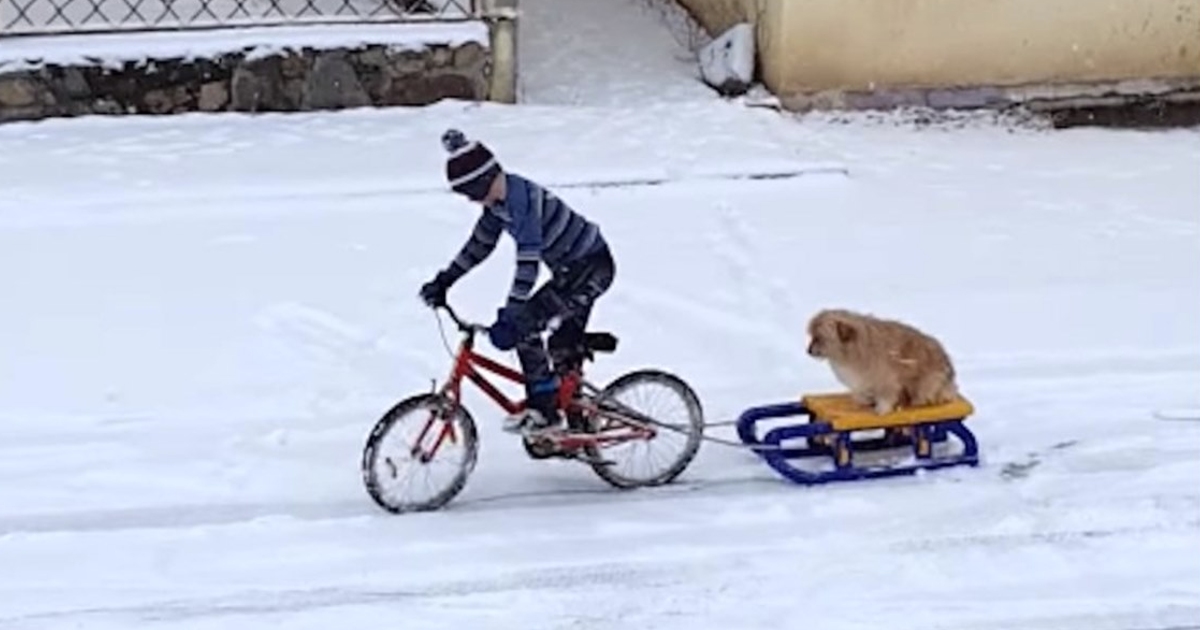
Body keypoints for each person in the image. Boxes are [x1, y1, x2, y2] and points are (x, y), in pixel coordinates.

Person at [419, 129, 616, 435]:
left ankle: (545, 411)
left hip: (590, 268)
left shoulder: (521, 201)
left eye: (473, 193)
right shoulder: (498, 205)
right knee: (561, 344)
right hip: (570, 271)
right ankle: (575, 417)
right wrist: (445, 280)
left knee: (526, 325)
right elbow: (479, 246)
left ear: (486, 180)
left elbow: (528, 261)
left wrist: (513, 312)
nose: (474, 201)